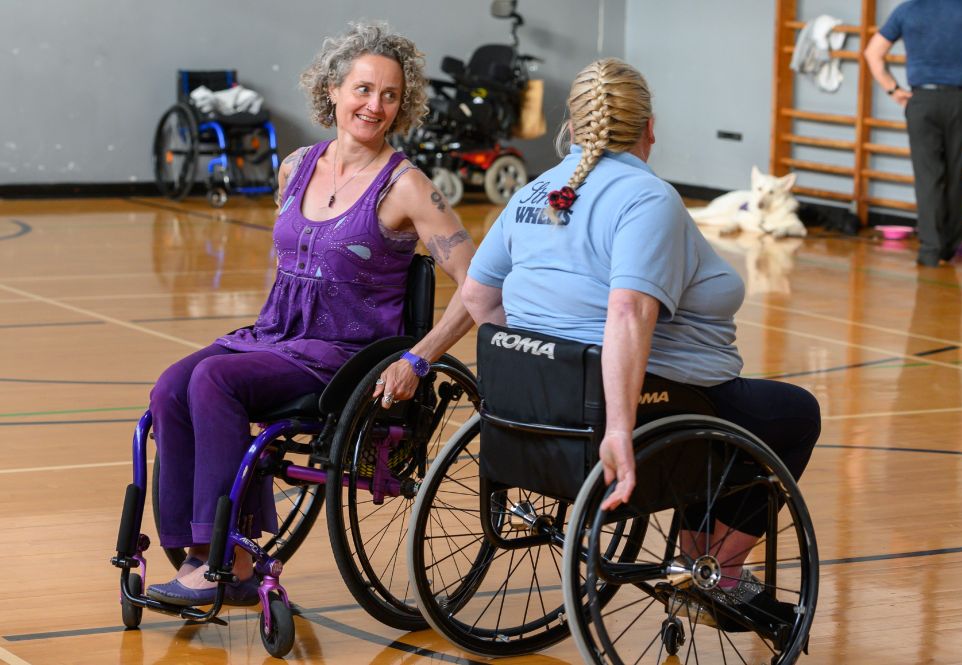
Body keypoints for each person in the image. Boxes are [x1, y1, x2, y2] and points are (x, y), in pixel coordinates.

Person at [461, 58, 820, 620]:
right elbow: (627, 311)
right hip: (643, 402)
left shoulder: (534, 191)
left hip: (548, 403)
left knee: (720, 421)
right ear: (651, 128)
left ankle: (697, 559)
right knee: (793, 414)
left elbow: (480, 300)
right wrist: (621, 429)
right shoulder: (645, 197)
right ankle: (716, 574)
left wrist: (535, 368)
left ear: (573, 128)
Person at [146, 22, 475, 606]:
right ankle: (194, 549)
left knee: (213, 380)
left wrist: (419, 360)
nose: (374, 105)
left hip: (343, 356)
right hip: (276, 335)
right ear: (332, 90)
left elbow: (480, 290)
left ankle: (229, 558)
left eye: (390, 95)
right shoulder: (295, 166)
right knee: (171, 386)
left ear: (403, 106)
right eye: (363, 89)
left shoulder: (409, 187)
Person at [863, 0, 962, 267]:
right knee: (955, 173)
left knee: (928, 177)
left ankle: (930, 250)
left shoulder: (907, 9)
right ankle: (949, 247)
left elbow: (872, 53)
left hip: (922, 100)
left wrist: (893, 89)